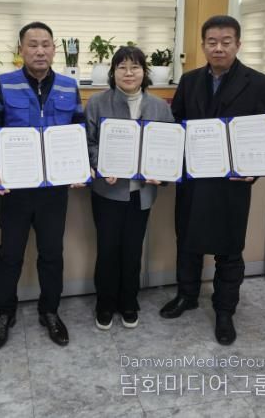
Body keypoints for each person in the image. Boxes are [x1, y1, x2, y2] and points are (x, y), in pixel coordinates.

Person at [159, 15, 265, 345]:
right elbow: (176, 126)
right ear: (203, 46)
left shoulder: (259, 84)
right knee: (187, 241)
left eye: (226, 42)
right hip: (194, 181)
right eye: (212, 42)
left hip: (232, 184)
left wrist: (256, 170)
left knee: (230, 249)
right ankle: (187, 296)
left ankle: (225, 310)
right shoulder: (189, 80)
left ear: (238, 44)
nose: (219, 48)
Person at [0, 21, 84, 351]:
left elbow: (79, 130)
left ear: (54, 49)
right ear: (20, 50)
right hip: (15, 189)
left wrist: (80, 166)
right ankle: (5, 313)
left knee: (51, 253)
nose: (40, 51)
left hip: (54, 191)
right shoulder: (3, 84)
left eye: (46, 44)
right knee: (10, 253)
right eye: (32, 44)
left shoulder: (69, 86)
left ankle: (49, 311)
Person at [85, 46, 173, 330]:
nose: (128, 73)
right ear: (113, 73)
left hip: (142, 194)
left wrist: (162, 174)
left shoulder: (159, 107)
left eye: (135, 67)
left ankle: (129, 302)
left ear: (144, 72)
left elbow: (170, 145)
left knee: (133, 250)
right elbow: (88, 142)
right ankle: (105, 303)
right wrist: (101, 164)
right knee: (108, 249)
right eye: (121, 67)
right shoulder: (97, 103)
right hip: (108, 192)